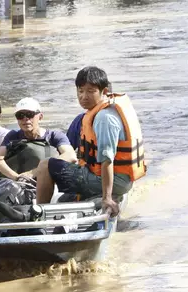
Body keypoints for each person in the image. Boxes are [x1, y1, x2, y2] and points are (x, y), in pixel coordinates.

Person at [35, 66, 147, 216]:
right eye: (80, 91)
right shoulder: (103, 111)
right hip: (120, 179)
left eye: (90, 91)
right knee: (63, 199)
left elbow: (107, 160)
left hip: (112, 180)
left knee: (45, 165)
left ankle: (38, 217)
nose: (84, 96)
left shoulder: (103, 118)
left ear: (104, 91)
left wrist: (107, 198)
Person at [0, 97, 76, 181]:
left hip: (49, 183)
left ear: (40, 116)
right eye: (20, 115)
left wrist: (33, 173)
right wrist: (18, 177)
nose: (25, 119)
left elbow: (70, 156)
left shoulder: (54, 136)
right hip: (21, 183)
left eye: (30, 114)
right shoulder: (13, 136)